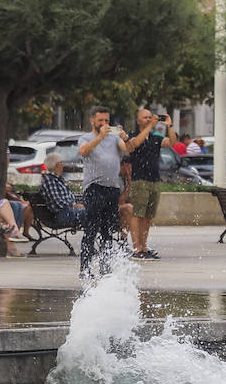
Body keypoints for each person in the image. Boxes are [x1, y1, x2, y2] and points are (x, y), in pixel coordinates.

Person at [76, 106, 130, 278]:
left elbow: (126, 149)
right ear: (92, 121)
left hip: (112, 189)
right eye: (101, 120)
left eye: (107, 120)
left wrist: (124, 137)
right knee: (91, 230)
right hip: (94, 188)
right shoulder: (86, 138)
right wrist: (100, 137)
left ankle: (106, 267)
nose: (104, 124)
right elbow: (83, 151)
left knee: (108, 231)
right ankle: (85, 268)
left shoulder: (113, 138)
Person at [124, 107, 176, 259]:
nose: (148, 119)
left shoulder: (155, 137)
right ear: (138, 120)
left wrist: (170, 126)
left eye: (150, 117)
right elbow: (136, 144)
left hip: (154, 180)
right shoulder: (133, 136)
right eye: (145, 117)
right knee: (137, 214)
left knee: (148, 216)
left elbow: (171, 142)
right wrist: (150, 126)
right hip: (140, 180)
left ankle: (144, 247)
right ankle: (136, 248)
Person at [39, 153, 87, 229]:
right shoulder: (49, 180)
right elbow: (57, 202)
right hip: (63, 214)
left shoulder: (58, 179)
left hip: (69, 211)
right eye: (61, 162)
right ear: (56, 165)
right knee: (91, 214)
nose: (63, 164)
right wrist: (75, 206)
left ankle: (94, 236)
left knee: (94, 211)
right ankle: (92, 238)